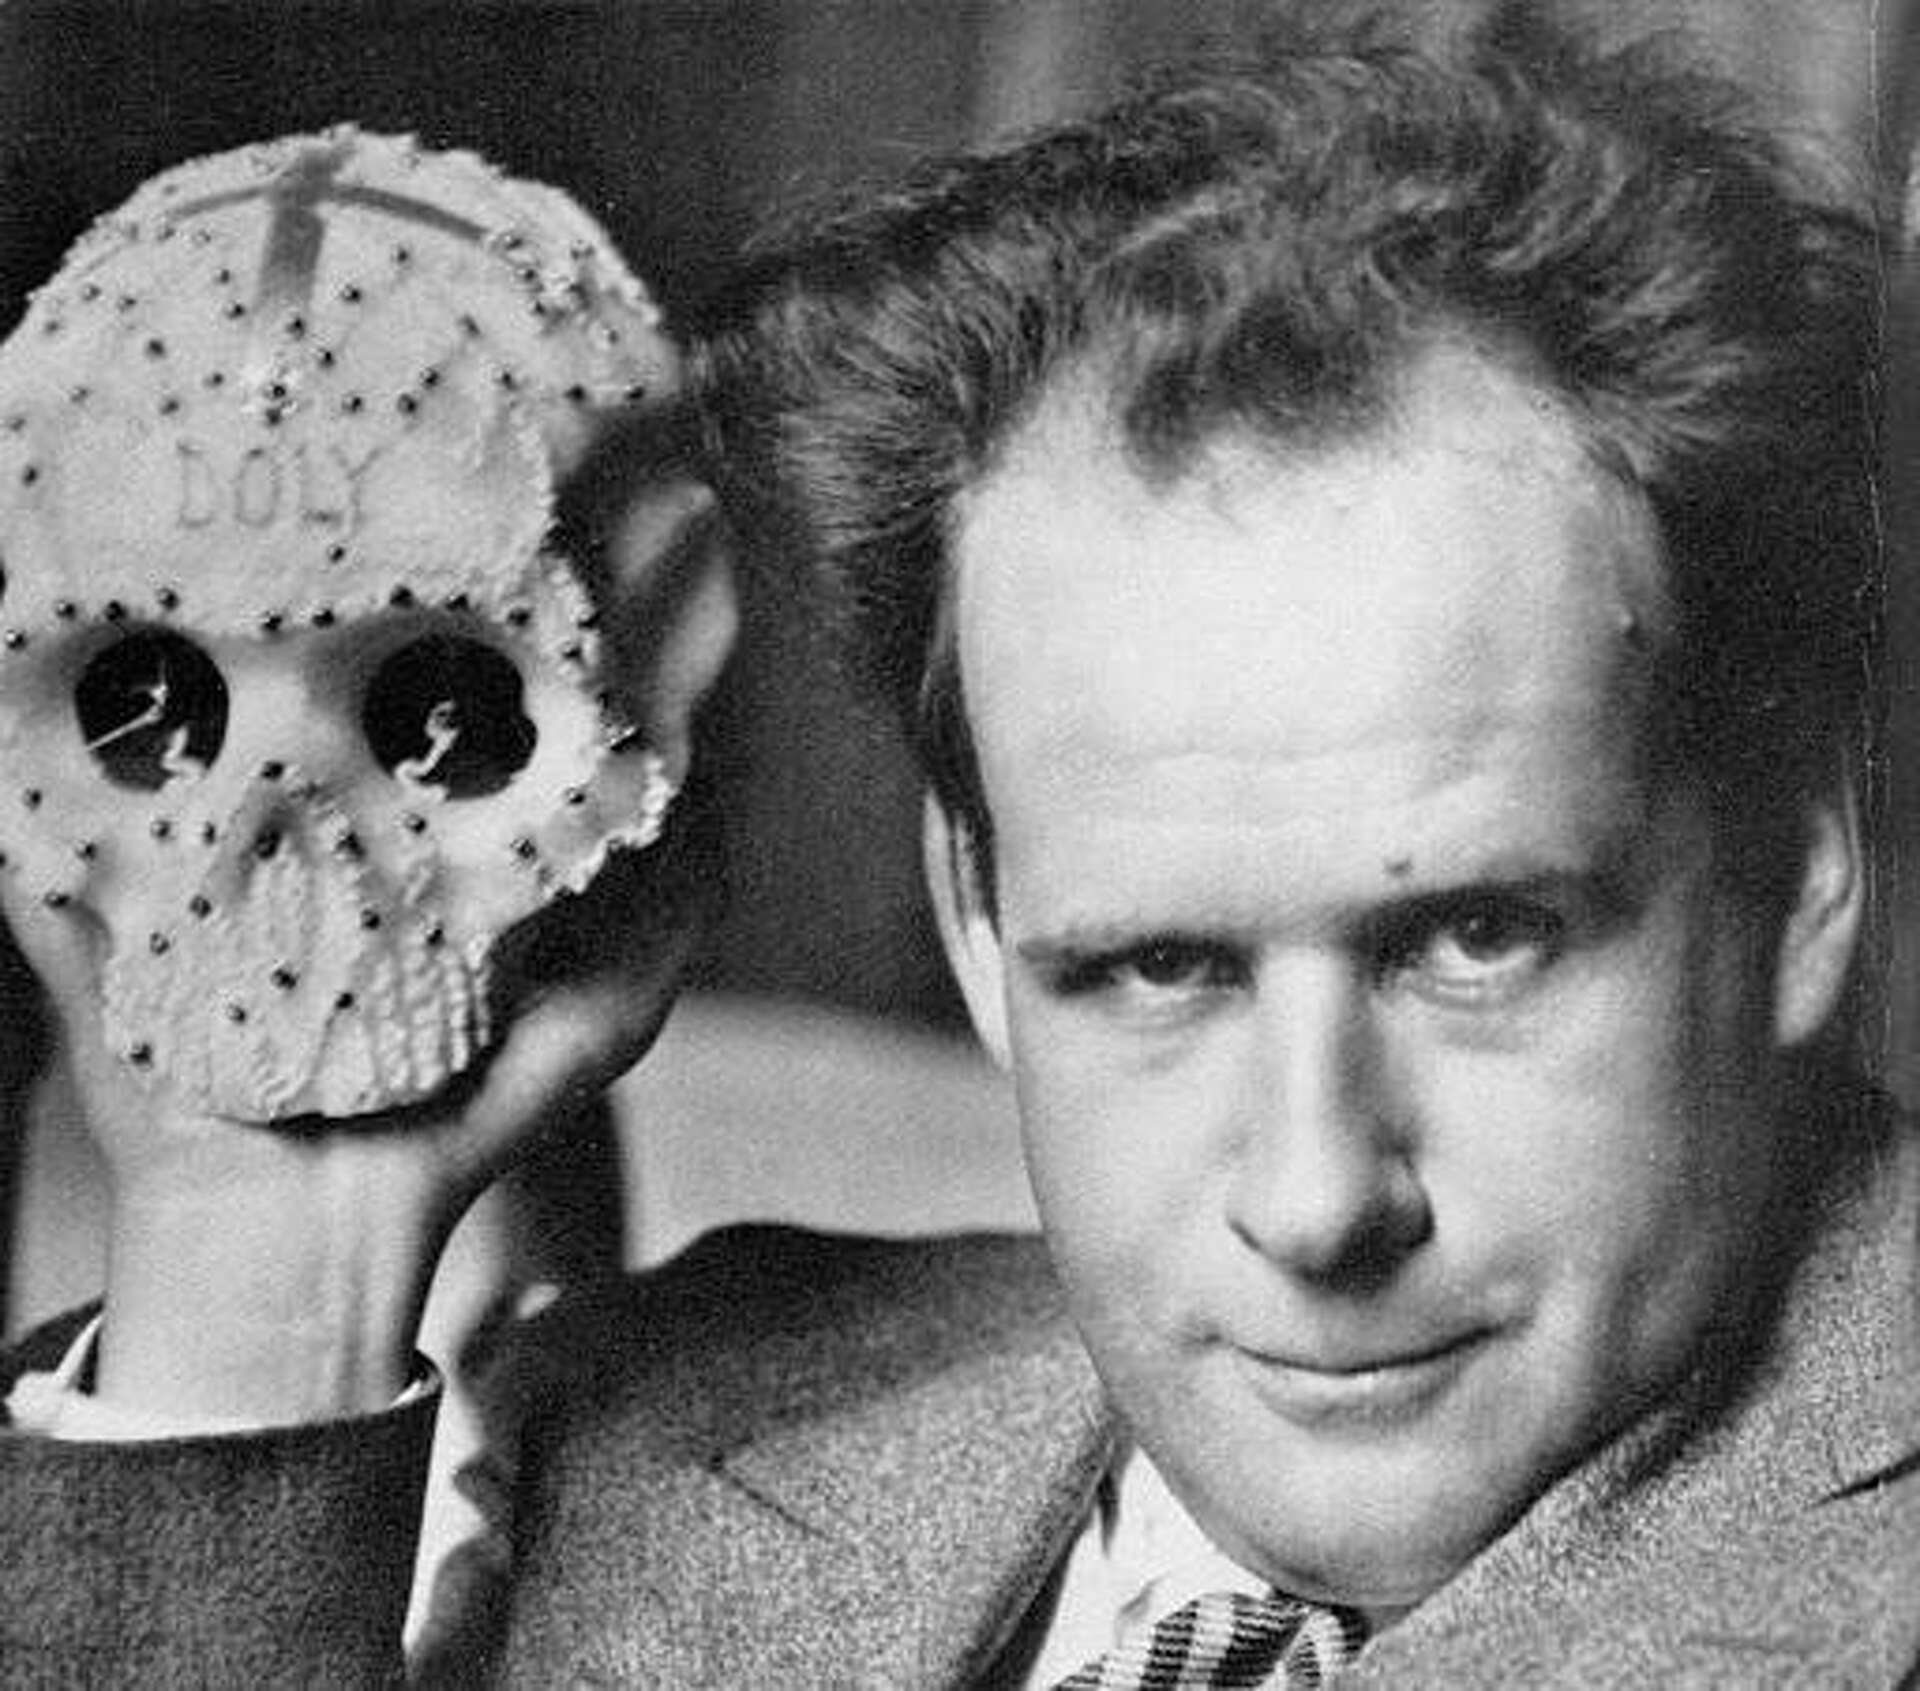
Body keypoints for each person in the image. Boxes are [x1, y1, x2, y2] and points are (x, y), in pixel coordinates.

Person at [6, 11, 1917, 1686]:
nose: (1317, 1198)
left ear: (1802, 875)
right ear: (980, 923)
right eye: (1154, 967)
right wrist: (268, 1249)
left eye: (1478, 941)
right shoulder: (639, 1430)